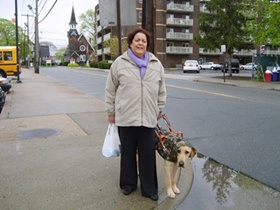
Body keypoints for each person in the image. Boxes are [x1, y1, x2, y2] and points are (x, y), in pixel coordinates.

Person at [105, 28, 167, 201]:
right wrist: (111, 111)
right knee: (128, 152)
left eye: (144, 41)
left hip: (148, 117)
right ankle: (128, 184)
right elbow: (110, 89)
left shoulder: (156, 64)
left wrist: (158, 109)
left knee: (147, 153)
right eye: (137, 40)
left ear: (147, 44)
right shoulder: (120, 63)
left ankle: (149, 189)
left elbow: (162, 90)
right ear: (131, 43)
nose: (140, 43)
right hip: (126, 116)